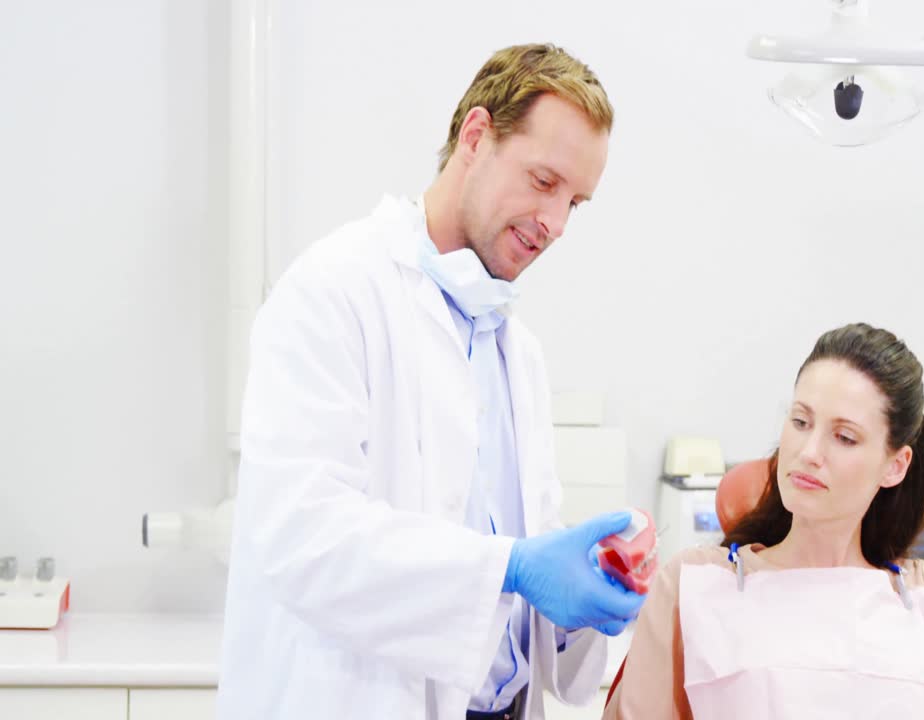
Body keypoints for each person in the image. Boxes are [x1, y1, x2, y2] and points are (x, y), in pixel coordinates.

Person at [216, 44, 645, 720]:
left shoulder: (516, 350)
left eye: (576, 202)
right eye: (543, 181)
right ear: (475, 137)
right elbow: (303, 535)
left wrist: (587, 587)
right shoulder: (332, 292)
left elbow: (526, 555)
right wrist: (509, 567)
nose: (556, 224)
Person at [603, 323, 924, 719]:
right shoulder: (697, 584)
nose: (809, 451)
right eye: (800, 421)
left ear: (895, 465)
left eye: (844, 436)